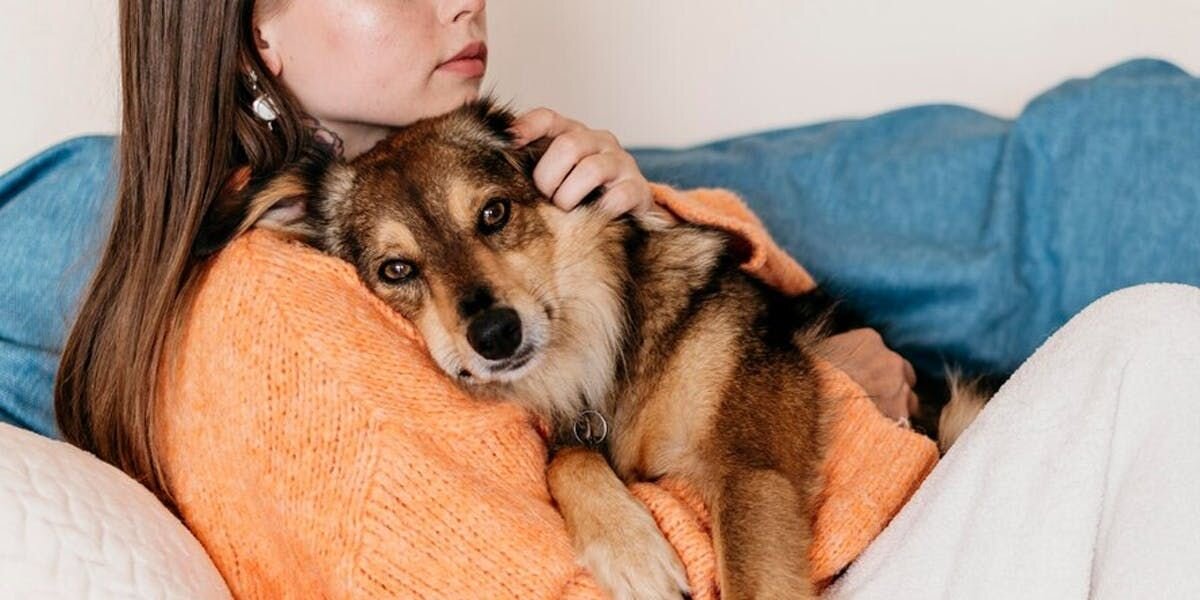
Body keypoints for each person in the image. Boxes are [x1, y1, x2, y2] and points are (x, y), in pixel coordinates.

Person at [48, 0, 1200, 597]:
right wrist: (798, 414)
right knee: (1155, 346)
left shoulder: (423, 184)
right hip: (841, 559)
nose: (462, 1)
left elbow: (734, 315)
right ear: (252, 27)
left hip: (886, 523)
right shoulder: (277, 309)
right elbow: (539, 581)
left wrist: (641, 210)